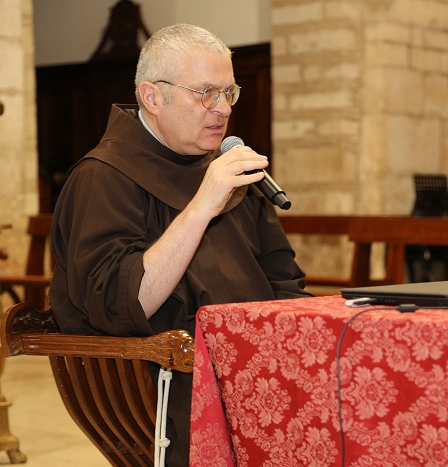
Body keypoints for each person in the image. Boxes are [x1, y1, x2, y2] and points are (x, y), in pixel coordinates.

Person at [49, 24, 310, 466]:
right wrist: (202, 205)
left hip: (256, 369)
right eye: (206, 93)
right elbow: (119, 305)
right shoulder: (102, 178)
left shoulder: (227, 174)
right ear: (152, 97)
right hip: (165, 386)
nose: (222, 108)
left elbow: (285, 285)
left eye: (228, 92)